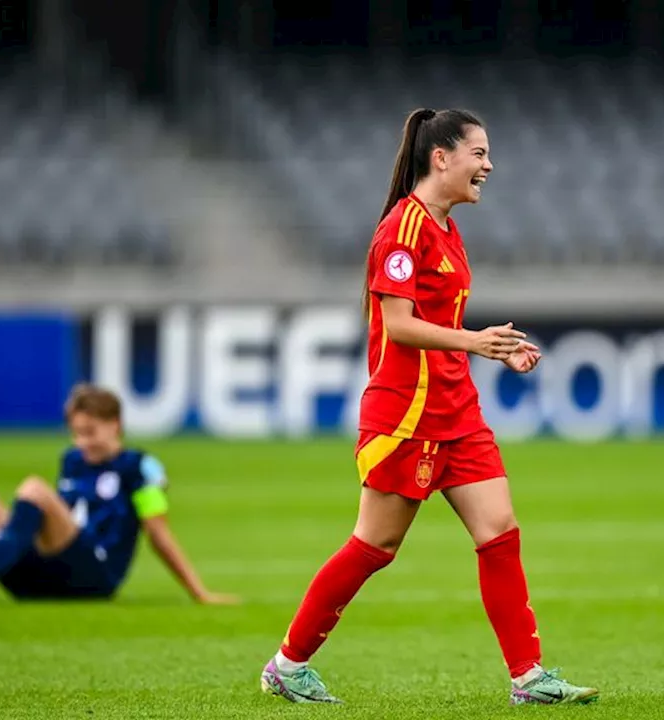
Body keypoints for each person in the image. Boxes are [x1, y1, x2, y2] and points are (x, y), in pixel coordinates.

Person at [258, 108, 598, 706]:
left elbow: (439, 319)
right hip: (405, 415)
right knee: (375, 546)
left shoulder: (445, 227)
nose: (489, 166)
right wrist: (474, 341)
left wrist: (497, 349)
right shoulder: (402, 231)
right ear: (441, 157)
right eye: (480, 153)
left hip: (456, 410)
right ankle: (287, 664)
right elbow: (398, 325)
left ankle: (529, 678)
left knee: (500, 531)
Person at [0, 384, 234, 609]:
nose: (82, 442)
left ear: (116, 425)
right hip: (45, 575)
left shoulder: (140, 467)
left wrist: (198, 592)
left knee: (33, 489)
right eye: (76, 433)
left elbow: (158, 532)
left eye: (90, 432)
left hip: (95, 576)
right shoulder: (72, 461)